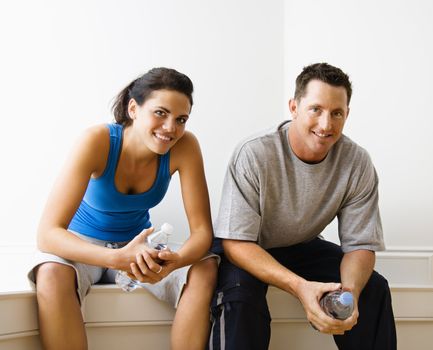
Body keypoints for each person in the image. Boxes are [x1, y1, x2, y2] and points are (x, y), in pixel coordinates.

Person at [27, 67, 218, 350]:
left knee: (206, 267)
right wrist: (115, 258)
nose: (171, 128)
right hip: (85, 246)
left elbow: (202, 232)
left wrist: (174, 262)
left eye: (181, 119)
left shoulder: (185, 146)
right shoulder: (97, 141)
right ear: (133, 108)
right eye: (160, 113)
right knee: (50, 272)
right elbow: (47, 235)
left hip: (137, 248)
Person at [209, 63, 397, 349]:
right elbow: (235, 242)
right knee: (240, 297)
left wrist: (349, 295)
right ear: (294, 107)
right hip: (246, 247)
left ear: (347, 114)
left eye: (337, 113)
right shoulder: (254, 153)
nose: (326, 124)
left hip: (301, 244)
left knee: (373, 289)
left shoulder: (356, 162)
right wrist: (300, 287)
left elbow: (360, 244)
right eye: (316, 110)